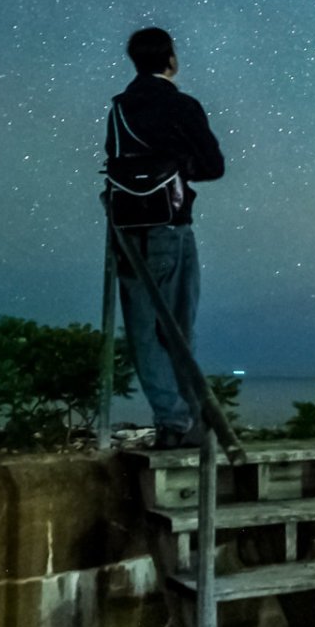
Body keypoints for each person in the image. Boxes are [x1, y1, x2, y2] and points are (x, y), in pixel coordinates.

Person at [107, 27, 225, 449]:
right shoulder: (181, 105)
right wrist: (178, 166)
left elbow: (115, 158)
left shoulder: (120, 108)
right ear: (170, 60)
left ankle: (169, 421)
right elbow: (214, 166)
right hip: (170, 226)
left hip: (126, 230)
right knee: (177, 328)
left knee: (141, 330)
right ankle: (189, 425)